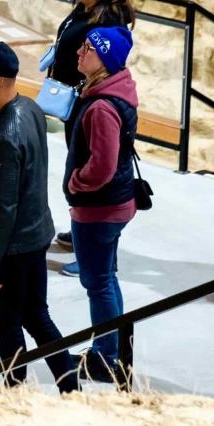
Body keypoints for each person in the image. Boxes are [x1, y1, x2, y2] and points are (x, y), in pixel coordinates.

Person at [0, 42, 79, 393]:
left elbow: (1, 211)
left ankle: (16, 394)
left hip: (14, 248)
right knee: (35, 315)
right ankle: (70, 389)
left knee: (8, 320)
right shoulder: (29, 107)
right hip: (35, 233)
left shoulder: (3, 137)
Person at [42, 0, 136, 261]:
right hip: (77, 100)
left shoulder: (107, 19)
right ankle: (81, 228)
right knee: (79, 156)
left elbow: (108, 65)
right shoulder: (83, 9)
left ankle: (92, 248)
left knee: (92, 165)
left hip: (91, 102)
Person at [66, 25, 140, 384]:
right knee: (106, 280)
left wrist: (76, 182)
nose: (80, 52)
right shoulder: (115, 89)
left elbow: (102, 166)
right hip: (116, 204)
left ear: (105, 59)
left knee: (97, 283)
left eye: (89, 49)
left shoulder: (101, 107)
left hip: (99, 209)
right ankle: (111, 349)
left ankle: (105, 358)